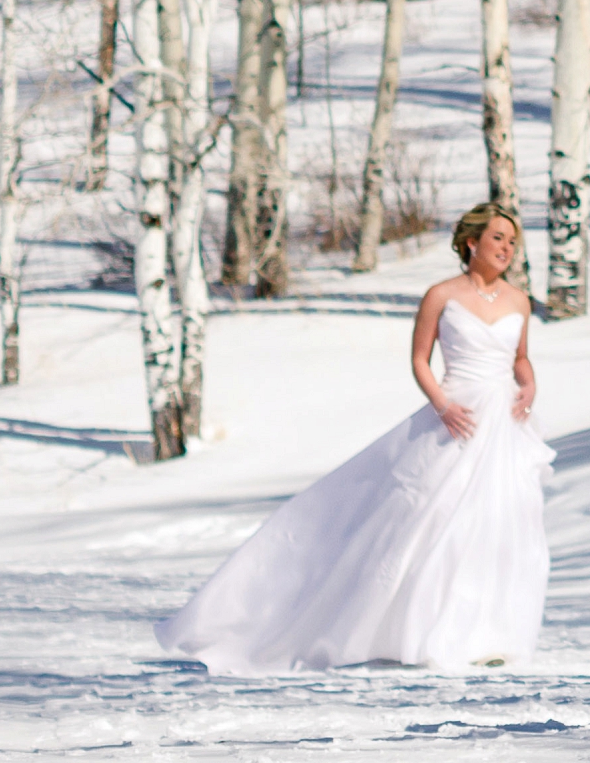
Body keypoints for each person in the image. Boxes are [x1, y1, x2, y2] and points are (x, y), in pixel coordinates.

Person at [156, 202, 553, 672]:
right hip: (454, 420)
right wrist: (442, 406)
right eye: (498, 238)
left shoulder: (518, 301)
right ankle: (410, 631)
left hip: (504, 427)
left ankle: (488, 636)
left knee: (499, 525)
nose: (507, 248)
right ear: (472, 242)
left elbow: (520, 357)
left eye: (512, 240)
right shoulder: (441, 295)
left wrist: (529, 385)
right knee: (432, 521)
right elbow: (420, 360)